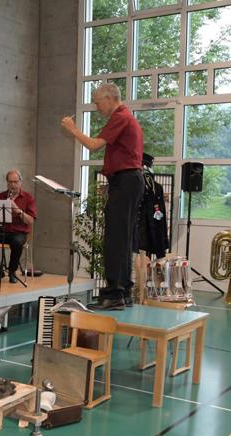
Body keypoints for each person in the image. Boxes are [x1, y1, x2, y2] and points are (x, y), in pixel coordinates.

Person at [61, 83, 145, 310]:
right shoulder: (125, 117)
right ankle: (124, 291)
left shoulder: (121, 117)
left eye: (97, 102)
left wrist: (72, 128)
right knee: (123, 238)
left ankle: (114, 293)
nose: (97, 107)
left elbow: (93, 145)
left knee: (115, 239)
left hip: (126, 181)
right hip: (128, 181)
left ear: (109, 98)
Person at [0, 170, 37, 284]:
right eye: (10, 182)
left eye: (15, 182)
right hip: (1, 231)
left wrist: (18, 210)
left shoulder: (28, 198)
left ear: (20, 182)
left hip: (19, 232)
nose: (13, 185)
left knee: (17, 243)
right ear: (7, 182)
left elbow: (30, 220)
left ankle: (12, 272)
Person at [133, 153, 168, 304]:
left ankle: (141, 293)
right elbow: (160, 214)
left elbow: (159, 212)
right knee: (146, 260)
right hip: (152, 229)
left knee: (142, 260)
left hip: (142, 229)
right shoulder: (155, 186)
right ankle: (146, 293)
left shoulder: (138, 183)